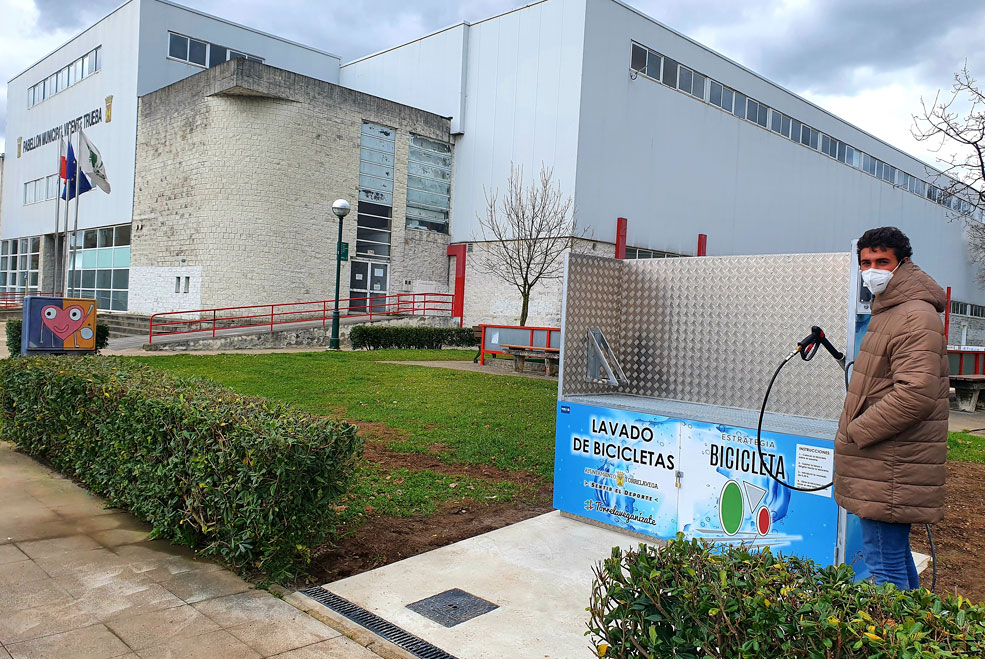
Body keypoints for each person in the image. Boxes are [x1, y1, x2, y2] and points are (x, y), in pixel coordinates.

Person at [834, 226, 948, 590]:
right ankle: (917, 623)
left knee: (884, 566)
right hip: (888, 460)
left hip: (891, 460)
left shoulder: (913, 315)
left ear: (903, 263)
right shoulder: (892, 309)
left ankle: (894, 625)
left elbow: (915, 393)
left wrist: (859, 430)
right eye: (866, 262)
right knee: (893, 557)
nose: (872, 270)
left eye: (882, 261)